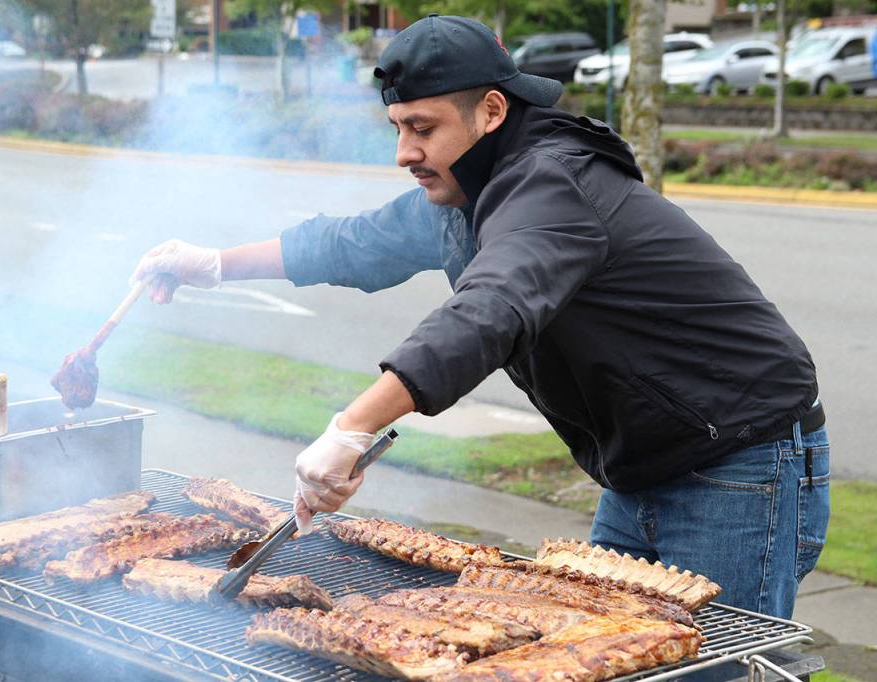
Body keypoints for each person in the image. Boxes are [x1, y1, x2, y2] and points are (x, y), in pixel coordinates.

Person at [130, 14, 829, 619]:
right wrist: (215, 264)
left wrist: (353, 426)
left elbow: (488, 311)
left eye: (423, 128)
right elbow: (354, 243)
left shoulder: (553, 183)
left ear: (491, 112)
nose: (405, 152)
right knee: (601, 647)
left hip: (739, 457)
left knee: (721, 667)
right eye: (399, 128)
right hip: (645, 462)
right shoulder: (468, 189)